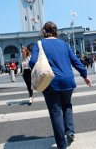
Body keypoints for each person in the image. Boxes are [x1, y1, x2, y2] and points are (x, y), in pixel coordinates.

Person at [29, 21, 91, 149]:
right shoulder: (64, 44)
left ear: (43, 31)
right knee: (67, 104)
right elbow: (76, 61)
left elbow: (33, 62)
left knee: (55, 112)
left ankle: (62, 145)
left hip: (51, 82)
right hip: (68, 81)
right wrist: (85, 75)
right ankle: (70, 131)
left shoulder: (39, 44)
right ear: (55, 31)